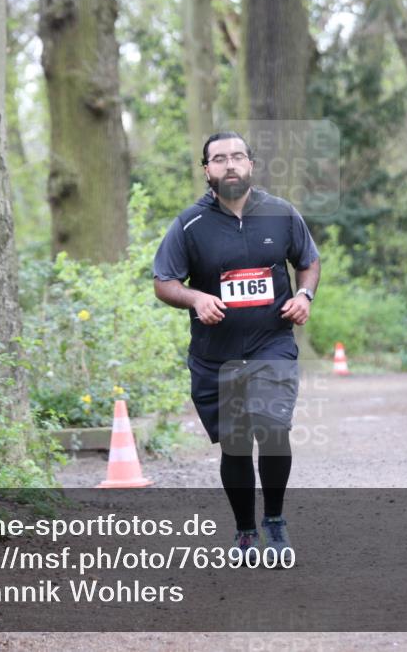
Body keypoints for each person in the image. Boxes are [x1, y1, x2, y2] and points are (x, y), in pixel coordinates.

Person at [152, 131, 321, 560]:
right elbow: (164, 283)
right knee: (236, 442)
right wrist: (195, 297)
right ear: (206, 169)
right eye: (220, 158)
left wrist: (304, 296)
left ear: (251, 165)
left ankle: (276, 523)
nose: (230, 164)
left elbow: (308, 262)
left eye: (238, 157)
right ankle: (245, 529)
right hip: (216, 353)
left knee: (273, 429)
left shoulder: (281, 214)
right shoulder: (189, 224)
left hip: (272, 343)